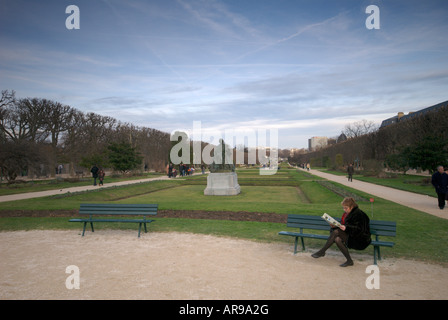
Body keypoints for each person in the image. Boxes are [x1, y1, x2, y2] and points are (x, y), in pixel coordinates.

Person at [311, 197, 371, 267]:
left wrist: (346, 228)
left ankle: (322, 251)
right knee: (337, 239)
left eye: (346, 208)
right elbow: (344, 226)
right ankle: (349, 261)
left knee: (336, 232)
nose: (344, 210)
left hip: (360, 239)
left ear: (352, 206)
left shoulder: (360, 214)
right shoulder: (348, 214)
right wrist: (335, 226)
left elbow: (360, 230)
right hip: (351, 235)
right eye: (343, 208)